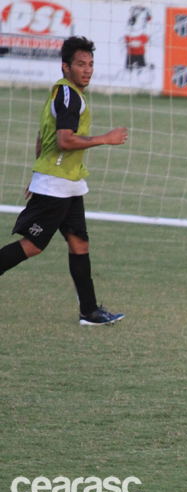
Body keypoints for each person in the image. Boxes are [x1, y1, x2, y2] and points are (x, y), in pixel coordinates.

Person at [0, 36, 128, 325]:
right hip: (56, 184)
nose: (87, 70)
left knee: (79, 242)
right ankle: (90, 310)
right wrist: (105, 139)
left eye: (91, 64)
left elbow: (40, 138)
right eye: (81, 64)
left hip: (66, 183)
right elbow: (64, 141)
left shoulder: (67, 94)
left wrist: (36, 175)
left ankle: (90, 311)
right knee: (32, 245)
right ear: (65, 66)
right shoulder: (68, 94)